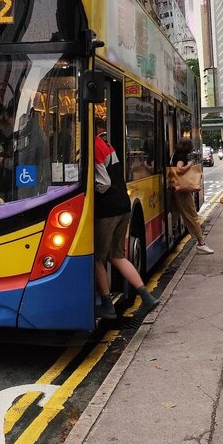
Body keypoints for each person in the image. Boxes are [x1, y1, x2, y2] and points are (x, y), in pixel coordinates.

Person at [93, 122, 160, 321]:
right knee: (117, 255)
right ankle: (146, 297)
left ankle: (106, 304)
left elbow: (103, 183)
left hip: (108, 210)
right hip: (123, 206)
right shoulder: (107, 145)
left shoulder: (94, 146)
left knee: (98, 258)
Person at [170, 138, 214, 254]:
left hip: (176, 189)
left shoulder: (175, 154)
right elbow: (179, 169)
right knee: (192, 216)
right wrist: (189, 165)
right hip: (183, 191)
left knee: (176, 213)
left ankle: (172, 232)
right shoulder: (182, 156)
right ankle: (201, 243)